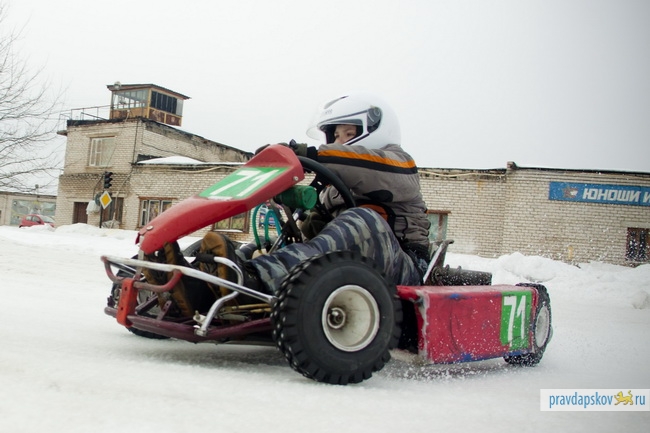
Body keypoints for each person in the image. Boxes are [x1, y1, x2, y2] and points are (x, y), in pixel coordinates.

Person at [197, 92, 431, 297]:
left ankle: (254, 281)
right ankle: (211, 280)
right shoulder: (333, 188)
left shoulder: (399, 164)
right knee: (273, 243)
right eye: (335, 136)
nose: (339, 142)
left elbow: (364, 167)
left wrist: (308, 154)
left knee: (364, 221)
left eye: (348, 134)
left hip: (404, 266)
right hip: (354, 267)